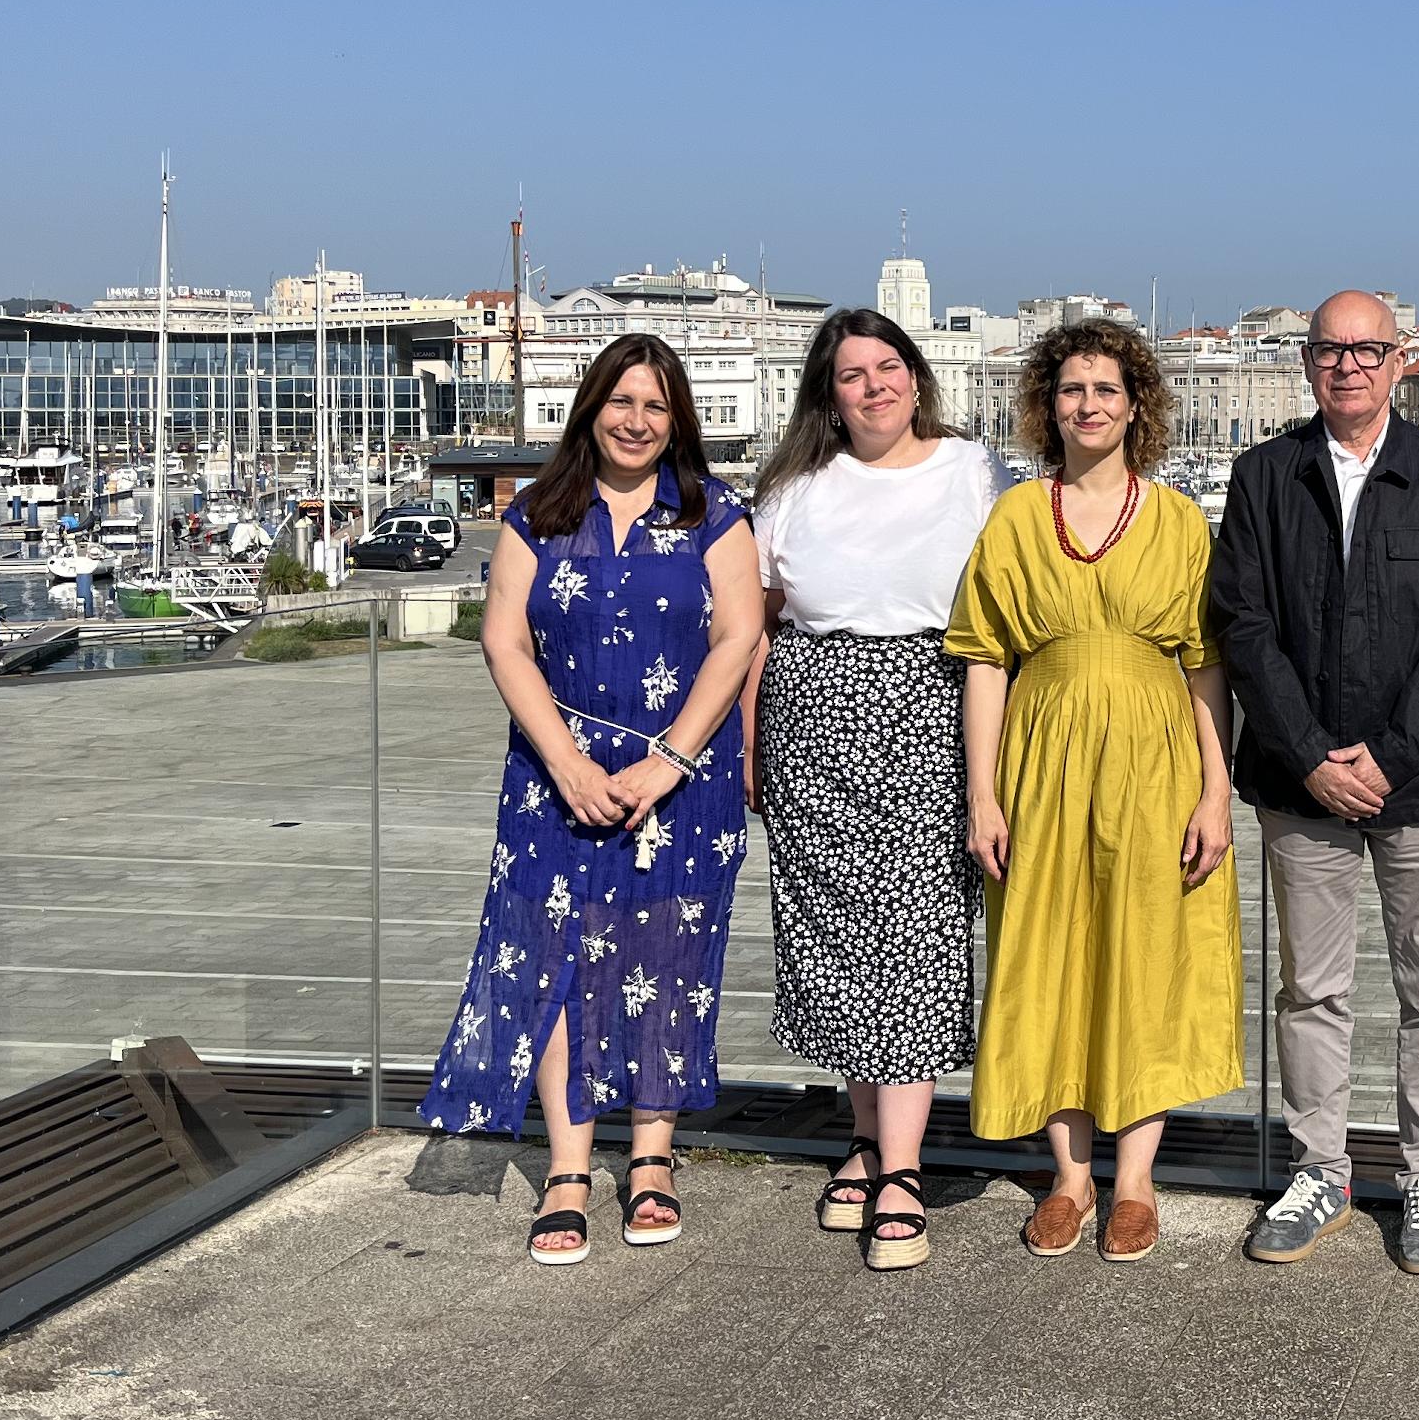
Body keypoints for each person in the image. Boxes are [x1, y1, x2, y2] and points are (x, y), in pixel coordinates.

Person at [423, 333, 765, 1266]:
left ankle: (651, 1158)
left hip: (681, 780)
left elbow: (738, 639)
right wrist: (568, 765)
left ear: (677, 421)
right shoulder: (538, 513)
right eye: (622, 401)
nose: (637, 421)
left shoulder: (715, 514)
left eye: (656, 406)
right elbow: (504, 641)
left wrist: (669, 763)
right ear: (592, 408)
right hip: (553, 776)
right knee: (553, 958)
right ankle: (569, 1168)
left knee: (667, 953)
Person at [1211, 290, 1419, 1275]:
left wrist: (1387, 757)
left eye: (1367, 350)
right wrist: (1308, 754)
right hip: (1302, 787)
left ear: (1398, 361)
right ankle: (1320, 1172)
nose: (1349, 365)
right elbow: (1244, 625)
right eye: (1331, 350)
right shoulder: (1263, 478)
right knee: (1311, 990)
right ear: (1307, 362)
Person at [947, 317, 1240, 1264]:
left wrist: (1216, 792)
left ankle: (1137, 1182)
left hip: (1156, 760)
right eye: (1072, 389)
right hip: (1041, 758)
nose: (1088, 405)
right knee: (1050, 951)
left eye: (1106, 389)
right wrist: (983, 796)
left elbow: (1206, 666)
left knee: (1146, 951)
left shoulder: (1180, 520)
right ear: (1049, 405)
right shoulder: (1015, 518)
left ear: (1136, 404)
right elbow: (984, 660)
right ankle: (1070, 1179)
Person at [746, 308, 1005, 1272]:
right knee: (835, 942)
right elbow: (759, 623)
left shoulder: (971, 470)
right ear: (829, 392)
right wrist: (751, 747)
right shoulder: (793, 486)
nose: (874, 386)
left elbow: (1003, 608)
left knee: (918, 938)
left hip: (931, 714)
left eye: (888, 366)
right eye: (852, 374)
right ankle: (866, 1138)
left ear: (916, 376)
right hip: (812, 721)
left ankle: (902, 1168)